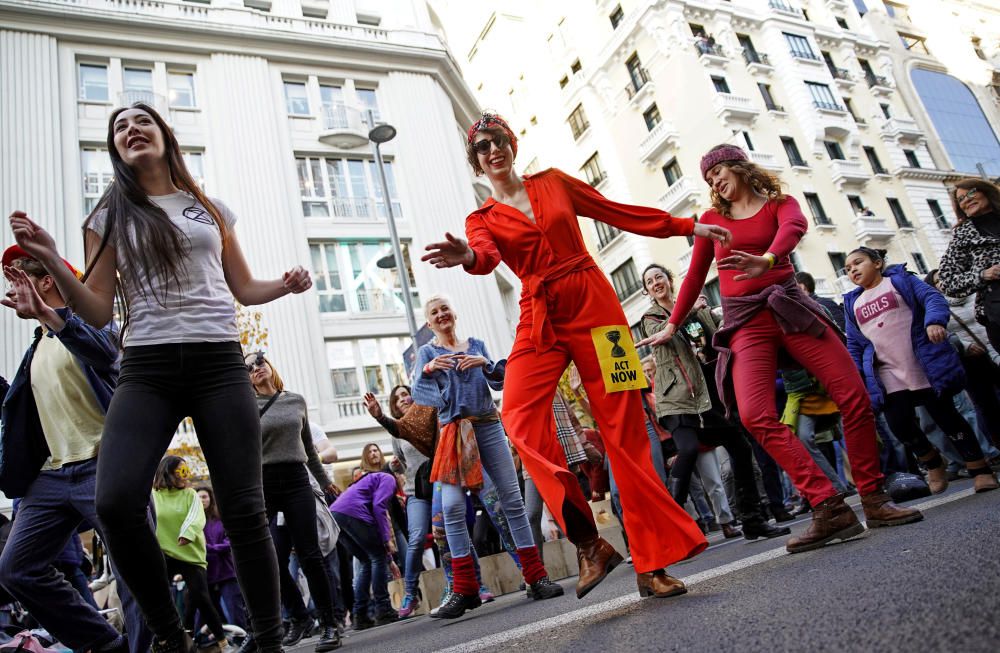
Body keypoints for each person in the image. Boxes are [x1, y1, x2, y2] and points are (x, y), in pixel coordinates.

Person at [7, 102, 310, 653]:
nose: (131, 129)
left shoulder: (208, 207)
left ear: (165, 135)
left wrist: (284, 285)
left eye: (141, 120)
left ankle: (269, 641)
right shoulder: (108, 214)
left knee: (244, 507)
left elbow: (243, 288)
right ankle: (172, 639)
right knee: (117, 501)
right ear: (115, 149)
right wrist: (51, 256)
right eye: (119, 127)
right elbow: (97, 312)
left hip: (219, 361)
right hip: (147, 367)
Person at [423, 112, 719, 599]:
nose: (492, 151)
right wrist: (469, 258)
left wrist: (687, 227)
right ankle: (588, 542)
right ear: (475, 162)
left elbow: (616, 212)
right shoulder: (482, 219)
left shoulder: (555, 182)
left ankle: (653, 564)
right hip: (538, 315)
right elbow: (485, 257)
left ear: (512, 145)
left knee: (626, 435)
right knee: (517, 418)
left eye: (499, 141)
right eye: (481, 148)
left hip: (596, 306)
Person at [639, 144, 922, 555]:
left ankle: (874, 498)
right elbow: (694, 278)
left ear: (738, 167)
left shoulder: (779, 203)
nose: (715, 181)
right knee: (755, 415)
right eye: (709, 178)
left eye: (719, 171)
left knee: (854, 397)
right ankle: (828, 505)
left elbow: (795, 226)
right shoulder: (712, 221)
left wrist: (767, 260)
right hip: (746, 323)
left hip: (789, 306)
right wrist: (670, 325)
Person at [0, 249, 151, 653]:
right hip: (49, 477)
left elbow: (103, 353)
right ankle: (105, 645)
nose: (13, 290)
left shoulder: (96, 326)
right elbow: (21, 409)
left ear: (47, 281)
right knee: (17, 569)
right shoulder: (37, 347)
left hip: (103, 467)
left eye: (20, 280)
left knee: (134, 575)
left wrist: (52, 316)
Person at [410, 294, 563, 618]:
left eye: (445, 309)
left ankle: (536, 577)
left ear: (454, 313)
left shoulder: (475, 344)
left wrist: (484, 363)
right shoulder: (427, 352)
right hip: (454, 432)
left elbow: (502, 379)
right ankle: (465, 590)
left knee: (512, 501)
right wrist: (429, 367)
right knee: (451, 505)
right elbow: (418, 395)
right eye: (434, 312)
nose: (441, 315)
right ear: (429, 322)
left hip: (489, 427)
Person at [638, 263, 789, 542]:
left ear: (669, 280)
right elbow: (667, 333)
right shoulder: (651, 316)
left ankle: (753, 519)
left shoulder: (697, 308)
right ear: (647, 290)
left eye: (660, 276)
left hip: (710, 396)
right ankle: (672, 526)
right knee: (689, 448)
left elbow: (719, 331)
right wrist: (691, 309)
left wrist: (712, 311)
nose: (656, 282)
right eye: (650, 281)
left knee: (741, 448)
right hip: (679, 398)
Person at [842, 248, 999, 493]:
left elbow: (932, 299)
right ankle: (933, 464)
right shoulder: (853, 302)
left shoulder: (901, 281)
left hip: (921, 364)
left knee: (948, 418)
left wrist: (934, 321)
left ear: (878, 263)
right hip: (888, 373)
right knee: (899, 424)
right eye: (847, 268)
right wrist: (855, 373)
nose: (852, 269)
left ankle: (980, 469)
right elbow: (854, 342)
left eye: (857, 262)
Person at [246, 353, 340, 651]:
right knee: (268, 559)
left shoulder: (295, 400)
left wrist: (325, 484)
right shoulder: (245, 407)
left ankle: (329, 625)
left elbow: (309, 449)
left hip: (297, 480)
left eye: (260, 361)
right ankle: (299, 616)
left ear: (271, 366)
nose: (256, 367)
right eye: (248, 367)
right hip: (264, 484)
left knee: (311, 555)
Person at [364, 385, 430, 619]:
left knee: (449, 533)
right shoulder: (397, 432)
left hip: (441, 482)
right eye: (397, 397)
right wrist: (396, 468)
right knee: (416, 539)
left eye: (406, 394)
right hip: (415, 491)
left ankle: (474, 584)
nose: (403, 398)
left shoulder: (429, 417)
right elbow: (403, 463)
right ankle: (410, 593)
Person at [151, 456, 229, 650]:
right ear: (167, 474)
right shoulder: (153, 494)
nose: (186, 477)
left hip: (190, 552)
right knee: (158, 597)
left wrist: (187, 533)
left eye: (186, 471)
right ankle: (168, 640)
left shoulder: (190, 494)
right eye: (180, 472)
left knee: (200, 596)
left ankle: (222, 642)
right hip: (164, 551)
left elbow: (196, 516)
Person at [925, 268, 1000, 451]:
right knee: (986, 405)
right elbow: (943, 334)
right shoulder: (936, 307)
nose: (942, 282)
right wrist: (965, 346)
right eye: (937, 281)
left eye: (945, 277)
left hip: (995, 349)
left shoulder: (974, 293)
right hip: (972, 359)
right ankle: (996, 444)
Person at [330, 469, 399, 629]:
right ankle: (383, 610)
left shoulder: (368, 482)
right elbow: (378, 506)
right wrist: (387, 539)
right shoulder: (388, 478)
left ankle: (360, 615)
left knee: (367, 561)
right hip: (351, 513)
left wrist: (389, 558)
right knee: (376, 557)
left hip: (335, 515)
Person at [937, 178, 1000, 351]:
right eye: (961, 199)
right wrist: (983, 275)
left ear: (985, 191)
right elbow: (946, 280)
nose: (967, 200)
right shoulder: (963, 235)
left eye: (971, 193)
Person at [197, 487, 247, 630]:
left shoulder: (221, 518)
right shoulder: (195, 522)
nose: (202, 500)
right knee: (207, 613)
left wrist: (211, 548)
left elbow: (230, 541)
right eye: (199, 497)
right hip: (206, 573)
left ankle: (242, 639)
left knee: (234, 610)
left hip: (226, 571)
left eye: (204, 496)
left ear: (211, 498)